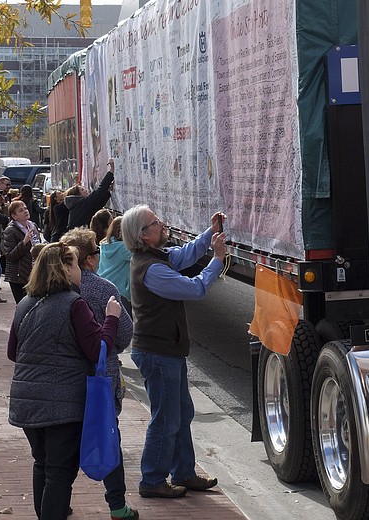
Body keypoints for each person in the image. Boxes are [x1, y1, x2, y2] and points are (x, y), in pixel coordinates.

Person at [7, 242, 121, 520]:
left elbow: (13, 352)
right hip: (62, 405)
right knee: (59, 472)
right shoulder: (74, 304)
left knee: (43, 464)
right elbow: (98, 351)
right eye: (74, 263)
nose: (80, 269)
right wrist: (111, 319)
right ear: (66, 269)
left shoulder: (25, 304)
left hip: (26, 401)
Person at [121, 205, 227, 498]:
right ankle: (152, 480)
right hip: (158, 351)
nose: (162, 224)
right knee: (167, 418)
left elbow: (187, 253)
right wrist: (217, 259)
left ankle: (183, 472)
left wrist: (211, 232)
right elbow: (195, 289)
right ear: (143, 235)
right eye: (156, 223)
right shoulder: (151, 268)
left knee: (180, 413)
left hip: (165, 349)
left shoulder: (156, 257)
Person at [60, 228, 137, 519]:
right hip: (101, 376)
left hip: (64, 379)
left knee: (63, 446)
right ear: (89, 259)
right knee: (107, 439)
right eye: (96, 251)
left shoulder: (53, 287)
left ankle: (59, 502)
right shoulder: (103, 288)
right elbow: (125, 333)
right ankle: (117, 505)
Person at [2, 200, 43, 303]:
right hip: (19, 276)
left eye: (25, 208)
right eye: (21, 210)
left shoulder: (33, 226)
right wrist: (24, 242)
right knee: (23, 305)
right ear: (14, 216)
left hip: (34, 272)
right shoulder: (10, 231)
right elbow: (10, 256)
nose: (25, 211)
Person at [65, 161, 115, 230]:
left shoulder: (77, 205)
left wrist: (107, 191)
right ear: (78, 195)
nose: (86, 190)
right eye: (82, 190)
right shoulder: (82, 204)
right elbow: (99, 191)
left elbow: (97, 204)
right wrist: (111, 170)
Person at [98, 216, 132, 313]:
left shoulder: (104, 245)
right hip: (120, 291)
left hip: (104, 284)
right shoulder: (123, 248)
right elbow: (141, 254)